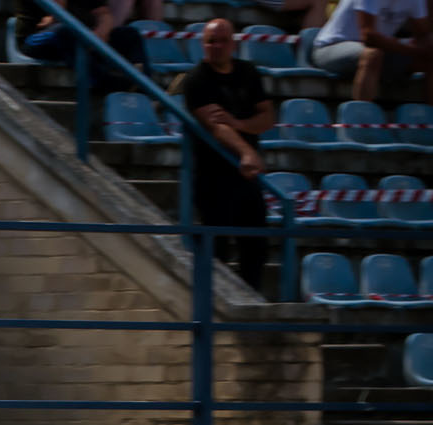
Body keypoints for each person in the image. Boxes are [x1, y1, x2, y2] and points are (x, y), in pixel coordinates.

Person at [178, 19, 276, 288]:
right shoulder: (196, 80)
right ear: (203, 44)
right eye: (211, 41)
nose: (217, 46)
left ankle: (250, 314)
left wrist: (240, 125)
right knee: (215, 251)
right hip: (213, 176)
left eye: (222, 40)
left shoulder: (248, 72)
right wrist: (247, 151)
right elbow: (217, 127)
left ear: (233, 44)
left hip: (246, 178)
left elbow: (268, 116)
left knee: (255, 248)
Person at [309, 0, 431, 101]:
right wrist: (413, 50)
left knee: (428, 59)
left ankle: (428, 119)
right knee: (372, 55)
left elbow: (423, 35)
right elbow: (369, 36)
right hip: (329, 48)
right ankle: (361, 121)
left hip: (378, 50)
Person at [20, 0, 163, 70]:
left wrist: (99, 35)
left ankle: (145, 90)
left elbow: (104, 14)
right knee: (65, 31)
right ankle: (105, 82)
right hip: (36, 38)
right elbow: (55, 15)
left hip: (84, 37)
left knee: (129, 34)